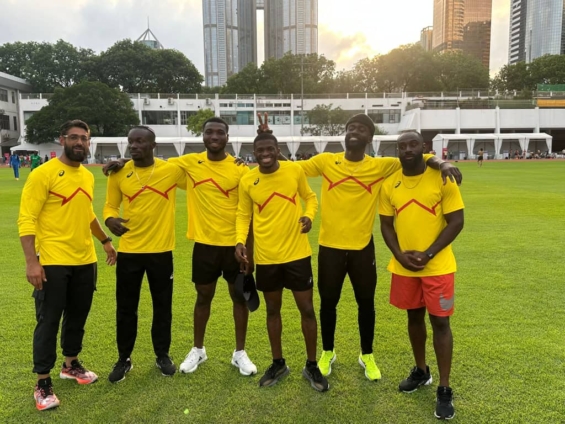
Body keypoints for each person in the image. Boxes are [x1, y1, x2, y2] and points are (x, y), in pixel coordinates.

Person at [258, 113, 462, 381]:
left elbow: (417, 156)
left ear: (370, 138)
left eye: (361, 129)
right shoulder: (326, 161)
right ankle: (327, 352)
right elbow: (291, 168)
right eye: (350, 127)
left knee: (366, 304)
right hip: (329, 247)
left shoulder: (381, 165)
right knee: (328, 303)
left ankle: (367, 354)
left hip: (362, 249)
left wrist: (442, 162)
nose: (354, 131)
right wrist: (266, 143)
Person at [103, 117, 257, 377]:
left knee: (230, 299)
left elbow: (247, 210)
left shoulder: (233, 169)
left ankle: (229, 353)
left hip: (211, 247)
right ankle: (138, 357)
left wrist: (248, 249)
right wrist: (122, 165)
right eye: (209, 132)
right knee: (191, 299)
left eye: (219, 132)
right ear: (202, 136)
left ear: (227, 137)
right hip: (183, 247)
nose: (214, 137)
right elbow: (122, 191)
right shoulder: (184, 163)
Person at [17, 120, 117, 411]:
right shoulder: (43, 173)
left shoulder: (86, 175)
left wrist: (105, 240)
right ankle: (43, 382)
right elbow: (27, 219)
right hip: (52, 261)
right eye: (73, 137)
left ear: (89, 142)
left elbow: (87, 213)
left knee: (77, 316)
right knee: (48, 320)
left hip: (85, 260)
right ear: (62, 140)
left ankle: (70, 364)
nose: (79, 142)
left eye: (84, 138)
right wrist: (31, 262)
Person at [378, 131, 464, 420]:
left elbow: (457, 221)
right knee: (413, 318)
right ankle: (421, 371)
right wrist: (399, 255)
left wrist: (428, 254)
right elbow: (386, 225)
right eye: (401, 146)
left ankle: (444, 387)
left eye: (413, 144)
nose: (407, 149)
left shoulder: (442, 178)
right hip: (405, 267)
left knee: (441, 322)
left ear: (423, 147)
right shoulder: (390, 184)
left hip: (438, 267)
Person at [235, 133, 329, 392]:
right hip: (267, 258)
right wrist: (240, 242)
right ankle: (278, 363)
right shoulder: (248, 180)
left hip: (297, 255)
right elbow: (243, 214)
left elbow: (310, 197)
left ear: (278, 150)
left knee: (307, 310)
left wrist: (309, 216)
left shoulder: (294, 170)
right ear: (254, 152)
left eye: (270, 149)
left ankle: (312, 365)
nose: (265, 153)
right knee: (272, 311)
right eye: (260, 150)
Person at [103, 126, 187, 382]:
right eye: (131, 141)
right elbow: (110, 205)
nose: (134, 145)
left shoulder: (171, 170)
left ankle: (162, 355)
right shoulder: (118, 173)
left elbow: (201, 173)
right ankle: (124, 358)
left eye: (140, 142)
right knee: (126, 308)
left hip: (161, 252)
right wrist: (109, 220)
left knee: (162, 307)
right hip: (129, 252)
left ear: (153, 145)